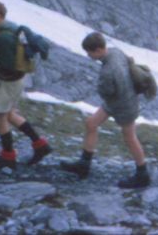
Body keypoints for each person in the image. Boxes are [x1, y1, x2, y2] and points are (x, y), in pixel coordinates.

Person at [60, 32, 150, 188]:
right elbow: (129, 63)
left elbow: (107, 92)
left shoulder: (108, 71)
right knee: (91, 123)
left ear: (98, 50)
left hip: (124, 105)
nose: (88, 56)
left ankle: (143, 174)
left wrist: (102, 87)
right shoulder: (116, 51)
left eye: (89, 52)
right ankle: (84, 165)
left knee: (129, 137)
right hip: (122, 100)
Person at [0, 1, 52, 169]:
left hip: (7, 81)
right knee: (10, 114)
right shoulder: (12, 28)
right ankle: (41, 145)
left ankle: (8, 156)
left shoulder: (2, 38)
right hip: (18, 79)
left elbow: (3, 64)